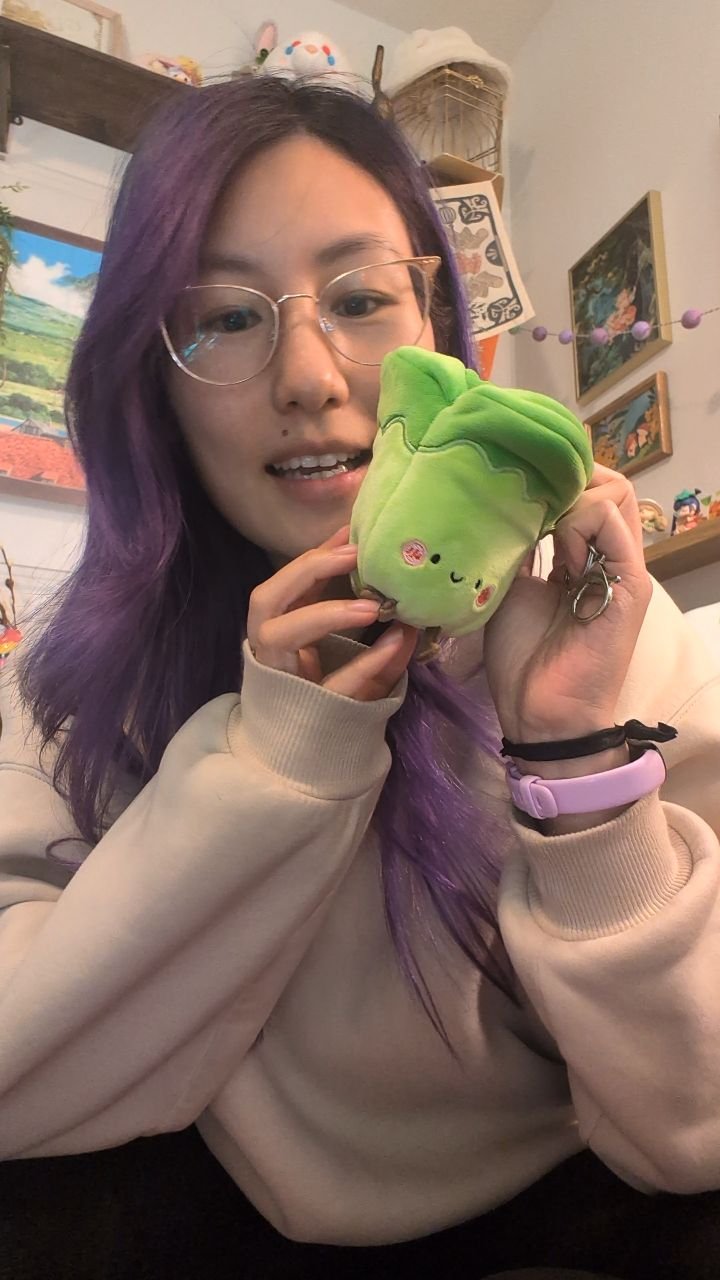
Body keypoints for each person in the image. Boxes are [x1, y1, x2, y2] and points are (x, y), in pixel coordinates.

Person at [0, 75, 719, 1280]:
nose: (309, 375)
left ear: (434, 326)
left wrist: (575, 756)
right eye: (225, 316)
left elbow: (698, 1132)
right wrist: (277, 756)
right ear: (153, 382)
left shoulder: (612, 639)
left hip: (579, 1210)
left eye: (360, 297)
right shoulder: (63, 697)